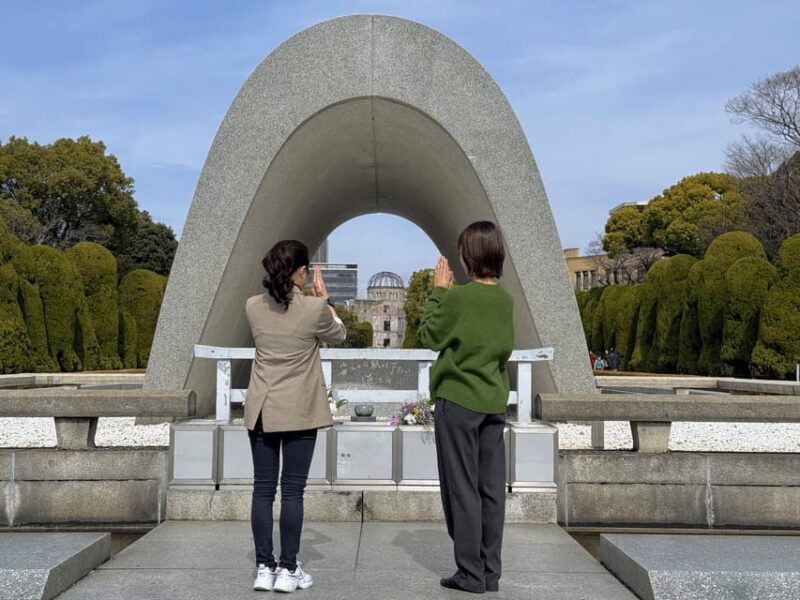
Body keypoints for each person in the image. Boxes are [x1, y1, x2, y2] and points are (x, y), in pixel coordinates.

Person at [418, 221, 514, 594]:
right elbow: (502, 348)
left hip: (458, 400)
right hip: (493, 400)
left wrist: (438, 292)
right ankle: (490, 573)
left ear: (469, 255)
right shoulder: (505, 299)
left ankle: (469, 573)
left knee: (462, 489)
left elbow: (430, 336)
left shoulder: (458, 296)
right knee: (490, 489)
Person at [244, 240, 346, 593]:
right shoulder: (315, 309)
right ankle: (287, 569)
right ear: (302, 271)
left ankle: (263, 567)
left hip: (261, 409)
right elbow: (339, 334)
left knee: (262, 489)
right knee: (292, 492)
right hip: (300, 411)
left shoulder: (253, 306)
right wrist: (326, 299)